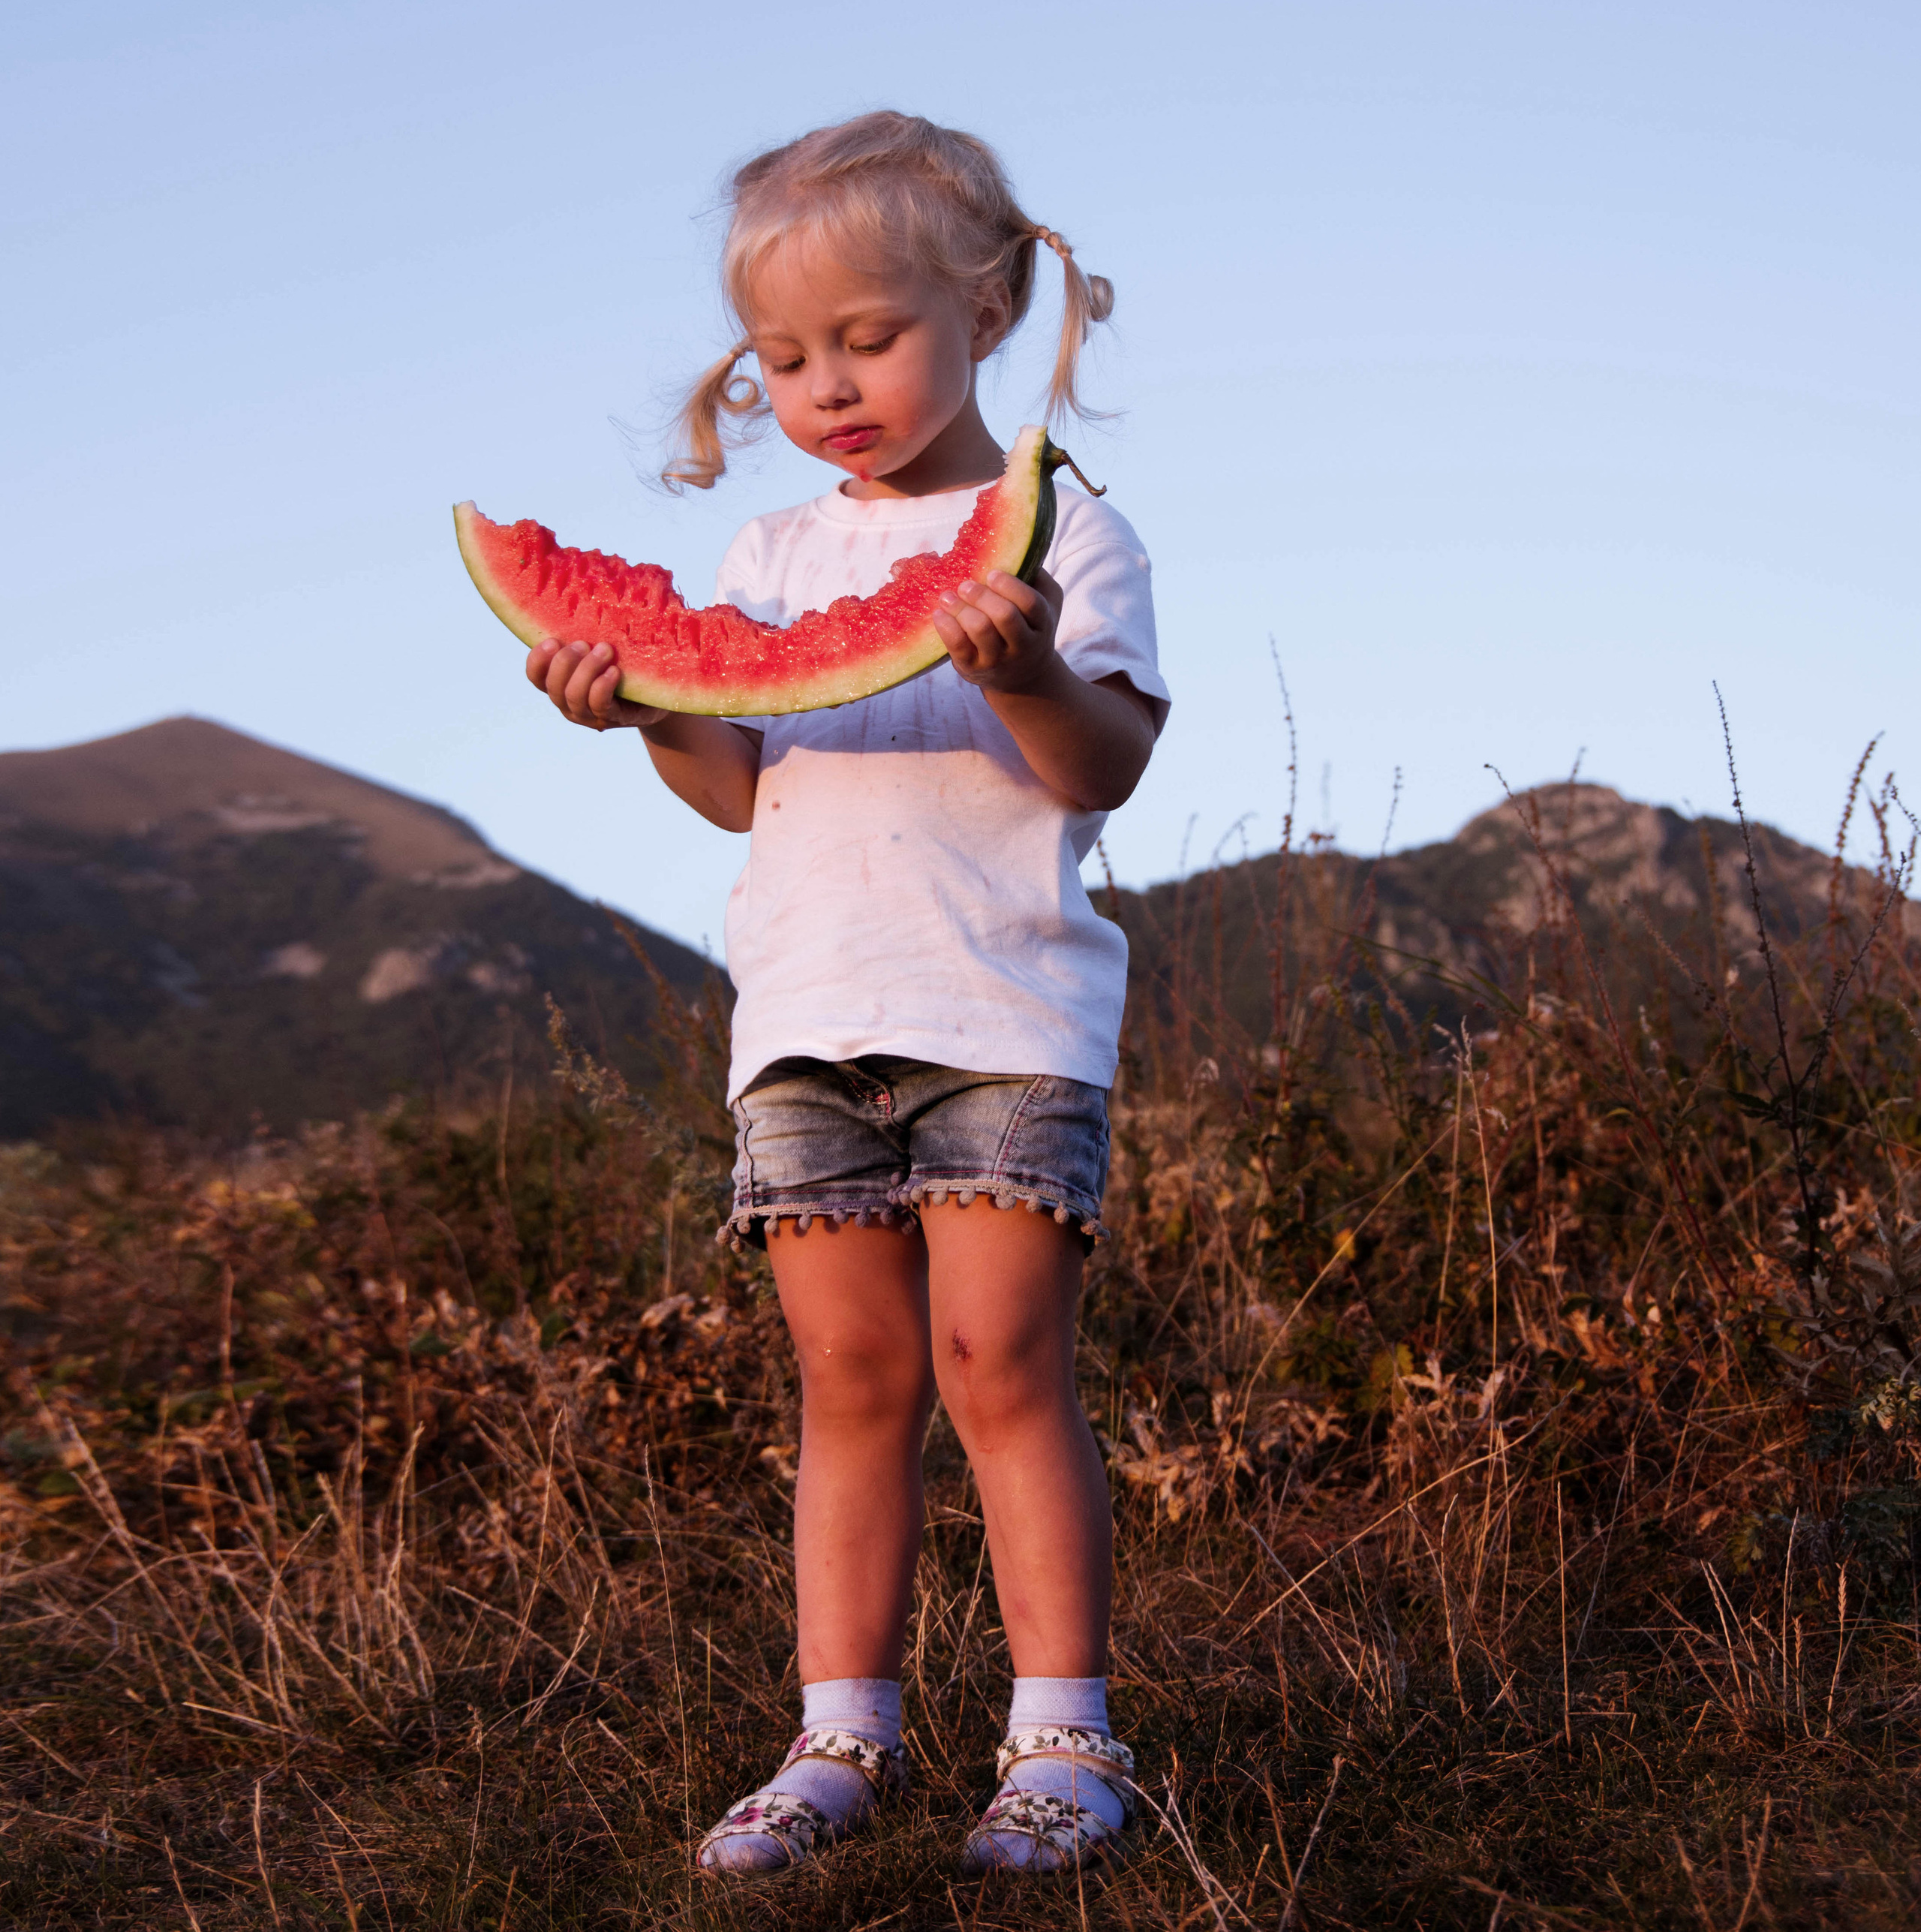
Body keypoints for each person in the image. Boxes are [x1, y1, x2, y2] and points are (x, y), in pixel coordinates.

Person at [525, 110, 1167, 1879]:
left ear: (981, 299)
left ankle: (1063, 1742)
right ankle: (841, 1739)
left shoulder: (1060, 530)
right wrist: (655, 702)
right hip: (802, 1018)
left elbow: (1098, 767)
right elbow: (745, 782)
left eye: (866, 337)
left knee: (999, 1363)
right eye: (784, 359)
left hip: (1003, 1013)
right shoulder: (771, 565)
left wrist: (1025, 664)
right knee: (853, 1378)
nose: (827, 386)